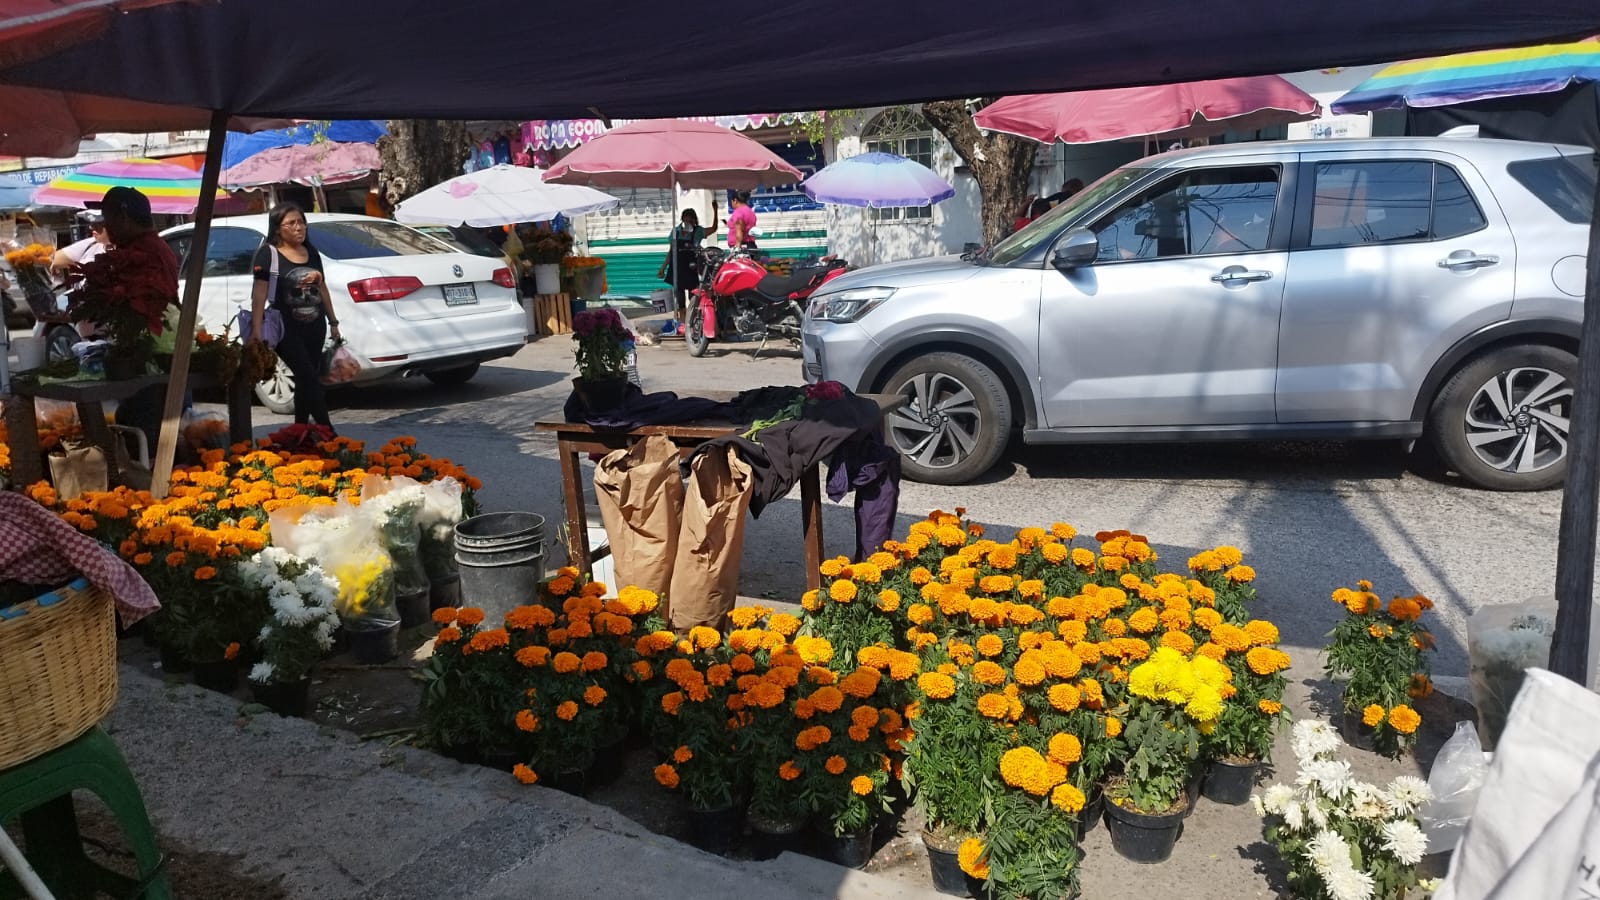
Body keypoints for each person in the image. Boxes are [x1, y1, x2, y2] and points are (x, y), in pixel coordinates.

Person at [249, 202, 340, 431]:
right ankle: (329, 433)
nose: (299, 228)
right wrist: (257, 331)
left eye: (301, 222)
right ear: (278, 228)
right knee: (309, 378)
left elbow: (322, 287)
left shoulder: (311, 252)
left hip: (315, 326)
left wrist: (333, 321)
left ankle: (300, 431)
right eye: (291, 223)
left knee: (304, 380)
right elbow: (259, 295)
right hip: (286, 329)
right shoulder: (267, 254)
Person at [655, 204, 719, 320]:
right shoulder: (676, 231)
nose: (688, 221)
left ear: (694, 220)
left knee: (693, 295)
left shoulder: (698, 231)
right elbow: (671, 252)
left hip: (691, 267)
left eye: (691, 218)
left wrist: (715, 210)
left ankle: (693, 320)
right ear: (682, 219)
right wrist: (662, 268)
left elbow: (714, 228)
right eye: (686, 218)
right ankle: (682, 322)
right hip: (677, 267)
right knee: (679, 297)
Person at [50, 210, 111, 276]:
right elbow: (55, 258)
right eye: (91, 223)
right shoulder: (93, 243)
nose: (91, 227)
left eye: (97, 224)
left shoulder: (120, 257)